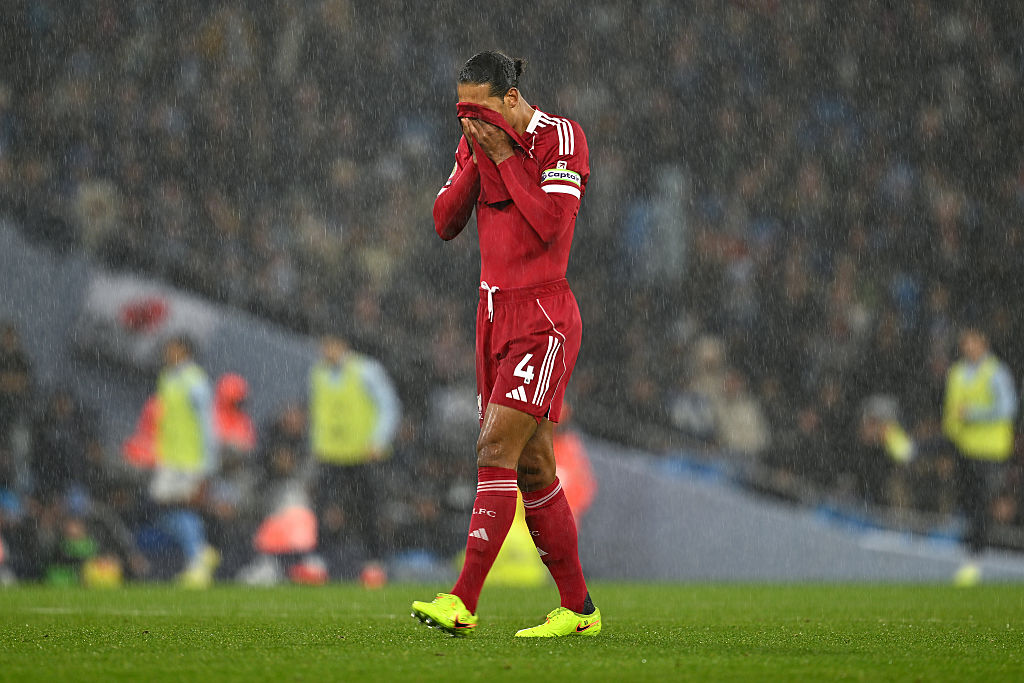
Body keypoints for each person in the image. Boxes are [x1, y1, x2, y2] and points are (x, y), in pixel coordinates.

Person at [412, 51, 600, 638]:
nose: (468, 120)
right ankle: (578, 609)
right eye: (460, 111)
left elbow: (551, 224)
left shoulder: (560, 138)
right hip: (491, 316)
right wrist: (474, 160)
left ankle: (462, 599)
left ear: (511, 100)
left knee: (494, 446)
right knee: (534, 466)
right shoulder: (475, 143)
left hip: (541, 315)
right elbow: (444, 222)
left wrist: (503, 158)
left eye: (479, 109)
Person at [309, 334, 400, 576]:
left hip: (363, 453)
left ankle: (374, 563)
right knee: (323, 507)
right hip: (331, 453)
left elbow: (388, 405)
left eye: (328, 344)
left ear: (342, 344)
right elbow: (320, 412)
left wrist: (379, 440)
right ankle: (318, 562)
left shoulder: (366, 370)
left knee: (367, 509)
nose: (324, 349)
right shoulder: (318, 373)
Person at [942, 325, 1018, 585]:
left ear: (983, 342)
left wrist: (973, 414)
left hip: (991, 452)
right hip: (965, 449)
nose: (968, 347)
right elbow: (951, 410)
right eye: (965, 342)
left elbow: (1008, 408)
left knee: (982, 503)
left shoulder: (996, 372)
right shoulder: (958, 372)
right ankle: (971, 553)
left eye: (972, 341)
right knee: (968, 500)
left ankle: (975, 557)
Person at [149, 336, 220, 587]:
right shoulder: (167, 379)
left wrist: (209, 463)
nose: (167, 352)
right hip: (169, 458)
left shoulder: (196, 382)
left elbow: (206, 424)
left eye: (171, 348)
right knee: (161, 507)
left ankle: (197, 562)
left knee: (178, 507)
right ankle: (200, 549)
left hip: (190, 460)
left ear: (184, 351)